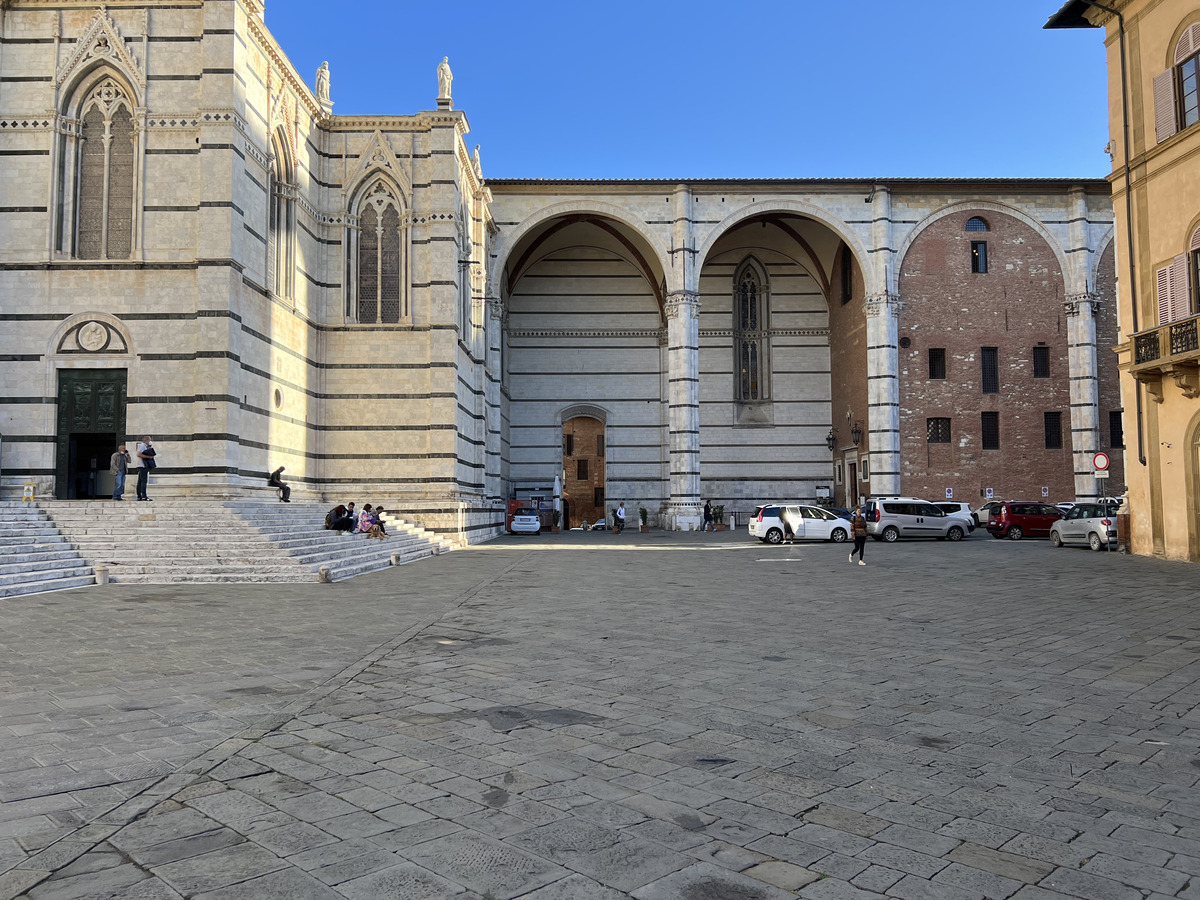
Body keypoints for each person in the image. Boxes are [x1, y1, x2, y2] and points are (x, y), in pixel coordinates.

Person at [135, 436, 155, 501]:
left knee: (140, 481)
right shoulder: (142, 445)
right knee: (143, 481)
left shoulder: (144, 446)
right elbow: (138, 454)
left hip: (141, 466)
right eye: (150, 440)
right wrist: (148, 457)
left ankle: (139, 496)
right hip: (143, 466)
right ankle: (144, 496)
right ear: (147, 440)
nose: (151, 441)